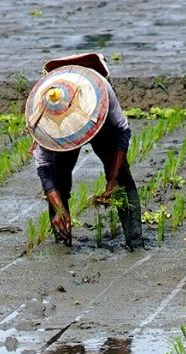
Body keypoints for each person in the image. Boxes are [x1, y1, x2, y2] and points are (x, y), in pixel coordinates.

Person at [27, 53, 144, 250]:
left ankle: (135, 241)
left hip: (99, 122)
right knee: (58, 180)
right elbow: (45, 170)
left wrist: (113, 180)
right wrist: (58, 207)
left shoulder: (101, 93)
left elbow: (123, 132)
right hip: (62, 137)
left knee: (122, 179)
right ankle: (62, 238)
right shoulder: (42, 122)